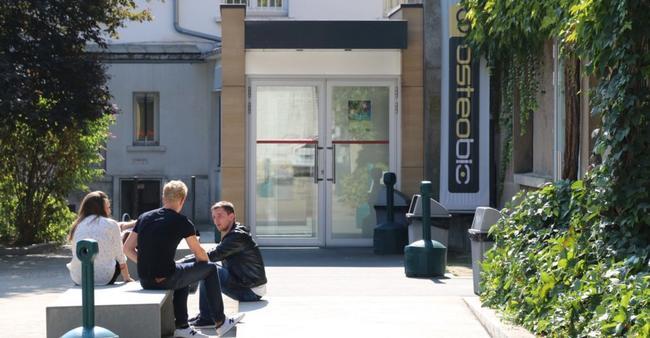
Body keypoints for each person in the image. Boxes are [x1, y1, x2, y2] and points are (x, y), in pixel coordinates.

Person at [123, 181, 244, 338]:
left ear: (163, 197)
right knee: (211, 269)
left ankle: (182, 326)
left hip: (145, 280)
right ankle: (220, 322)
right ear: (183, 199)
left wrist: (147, 263)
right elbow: (199, 252)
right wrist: (203, 268)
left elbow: (127, 248)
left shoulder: (144, 217)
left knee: (184, 269)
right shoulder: (182, 221)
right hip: (164, 279)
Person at [187, 201, 267, 329]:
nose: (216, 220)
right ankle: (205, 315)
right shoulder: (233, 234)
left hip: (250, 290)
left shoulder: (237, 236)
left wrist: (179, 264)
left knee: (208, 269)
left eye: (220, 215)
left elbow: (212, 255)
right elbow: (212, 253)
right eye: (213, 217)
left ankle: (207, 318)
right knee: (209, 268)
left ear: (231, 216)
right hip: (246, 284)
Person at [67, 191, 133, 285]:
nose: (110, 211)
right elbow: (120, 256)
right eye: (108, 207)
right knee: (117, 251)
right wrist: (127, 278)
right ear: (102, 208)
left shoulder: (77, 225)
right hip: (105, 278)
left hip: (79, 277)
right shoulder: (111, 224)